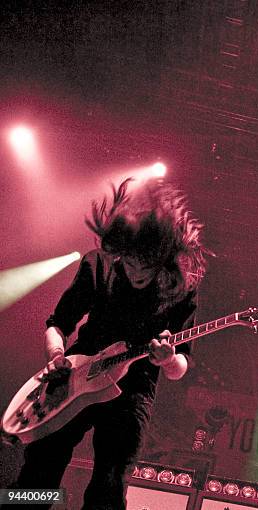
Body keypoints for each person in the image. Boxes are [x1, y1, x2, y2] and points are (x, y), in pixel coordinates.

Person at [5, 178, 207, 509]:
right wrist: (57, 357)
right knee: (40, 465)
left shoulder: (180, 288)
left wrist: (167, 359)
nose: (135, 272)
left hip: (133, 389)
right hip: (75, 373)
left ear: (162, 260)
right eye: (129, 262)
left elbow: (179, 368)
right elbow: (57, 325)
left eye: (145, 266)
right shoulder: (97, 264)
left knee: (111, 482)